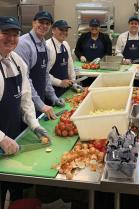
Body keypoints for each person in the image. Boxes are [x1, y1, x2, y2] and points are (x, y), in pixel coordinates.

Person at [0, 16, 49, 207]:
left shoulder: (18, 61)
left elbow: (26, 98)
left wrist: (34, 125)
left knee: (14, 185)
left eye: (15, 34)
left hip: (14, 135)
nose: (11, 39)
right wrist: (1, 138)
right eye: (6, 33)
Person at [15, 11, 65, 120]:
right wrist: (39, 104)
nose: (44, 26)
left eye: (47, 23)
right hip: (25, 105)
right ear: (33, 23)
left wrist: (53, 97)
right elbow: (24, 79)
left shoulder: (45, 46)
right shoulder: (23, 44)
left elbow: (45, 75)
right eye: (41, 22)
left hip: (39, 101)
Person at [46, 20, 82, 97]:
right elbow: (44, 74)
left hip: (65, 89)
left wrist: (74, 83)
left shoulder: (65, 44)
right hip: (52, 91)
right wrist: (59, 82)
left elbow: (70, 66)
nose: (64, 32)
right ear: (53, 30)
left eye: (66, 30)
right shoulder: (48, 47)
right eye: (61, 30)